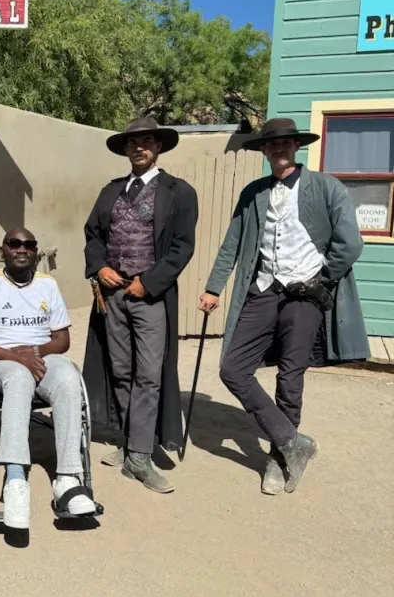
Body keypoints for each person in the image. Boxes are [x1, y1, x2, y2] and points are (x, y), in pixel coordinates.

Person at [199, 117, 368, 495]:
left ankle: (278, 459)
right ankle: (293, 442)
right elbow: (231, 243)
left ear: (296, 146)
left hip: (305, 292)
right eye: (271, 144)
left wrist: (321, 279)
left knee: (291, 376)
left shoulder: (326, 187)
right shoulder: (253, 193)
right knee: (233, 368)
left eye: (285, 143)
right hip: (263, 289)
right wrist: (214, 287)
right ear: (263, 150)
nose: (278, 149)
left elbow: (350, 244)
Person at [83, 115, 198, 493]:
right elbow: (94, 235)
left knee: (149, 373)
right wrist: (99, 267)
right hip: (113, 296)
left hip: (150, 298)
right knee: (119, 370)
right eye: (133, 143)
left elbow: (182, 247)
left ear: (158, 147)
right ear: (125, 149)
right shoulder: (110, 191)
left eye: (146, 141)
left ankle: (140, 456)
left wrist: (146, 284)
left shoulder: (178, 192)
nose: (139, 147)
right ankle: (127, 440)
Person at [0, 230, 97, 530]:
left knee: (66, 375)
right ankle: (15, 478)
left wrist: (35, 351)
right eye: (15, 244)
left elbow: (61, 340)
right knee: (19, 377)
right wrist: (18, 358)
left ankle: (67, 478)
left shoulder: (47, 285)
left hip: (40, 357)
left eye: (29, 245)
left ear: (36, 252)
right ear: (3, 251)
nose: (22, 249)